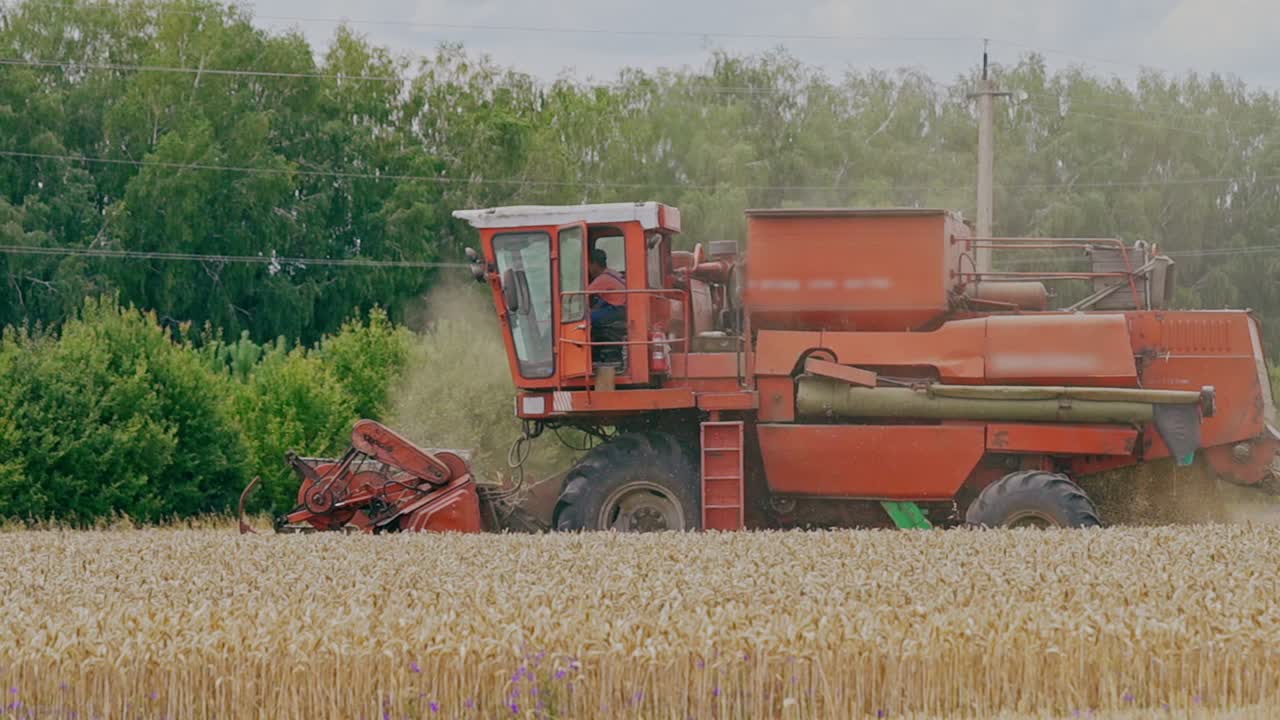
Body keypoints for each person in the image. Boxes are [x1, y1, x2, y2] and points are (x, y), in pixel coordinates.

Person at [587, 247, 626, 363]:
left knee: (584, 319)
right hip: (621, 306)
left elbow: (582, 294)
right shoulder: (612, 273)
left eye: (588, 264)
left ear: (594, 264)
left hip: (618, 309)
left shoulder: (602, 279)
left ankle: (592, 355)